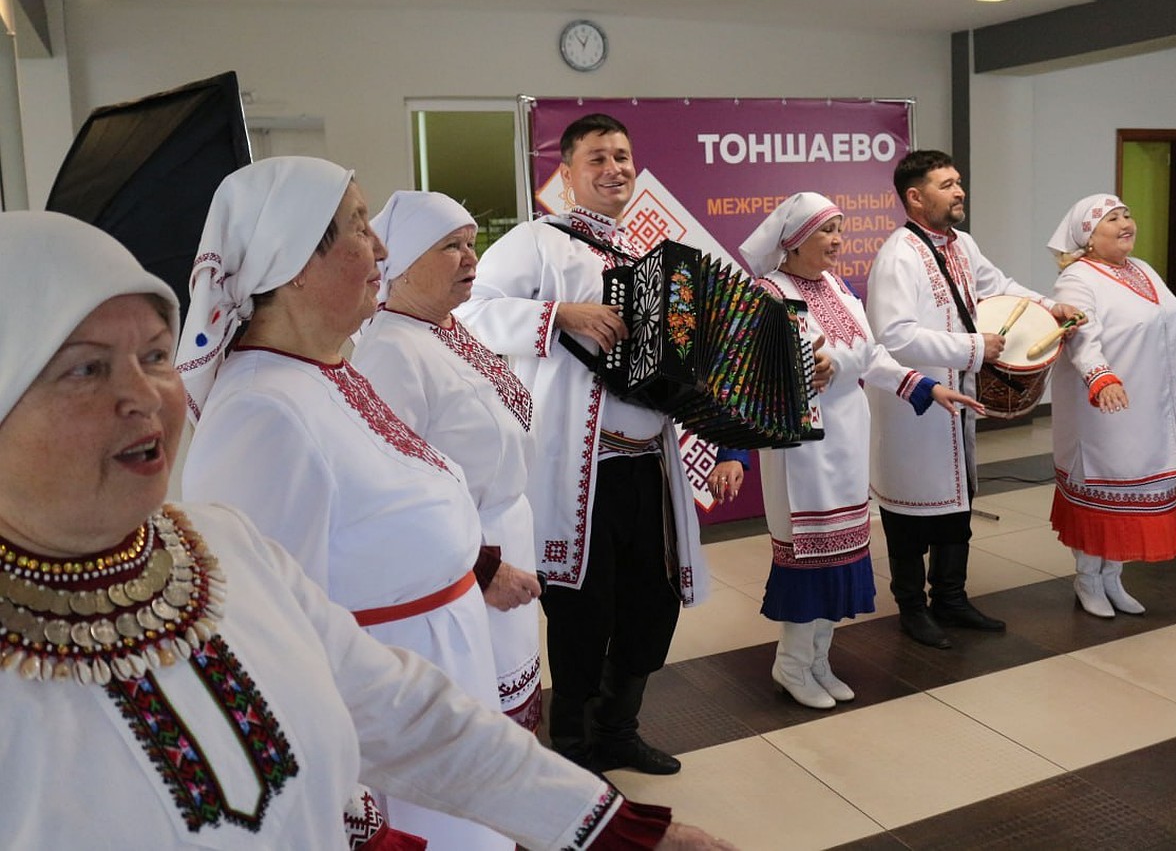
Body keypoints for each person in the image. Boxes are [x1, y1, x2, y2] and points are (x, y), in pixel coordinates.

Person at [0, 210, 738, 850]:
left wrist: (605, 827)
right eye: (85, 370)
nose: (144, 395)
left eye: (156, 354)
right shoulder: (266, 411)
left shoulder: (218, 550)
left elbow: (396, 709)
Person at [176, 157, 500, 850]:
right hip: (386, 753)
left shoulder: (326, 369)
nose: (381, 246)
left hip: (434, 700)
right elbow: (262, 649)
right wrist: (355, 818)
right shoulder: (261, 415)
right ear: (293, 262)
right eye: (358, 227)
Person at [456, 113, 709, 776]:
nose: (614, 169)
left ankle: (619, 731)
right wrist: (555, 315)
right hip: (581, 470)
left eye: (622, 156)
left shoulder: (656, 257)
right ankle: (572, 747)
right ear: (566, 174)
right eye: (596, 158)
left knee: (650, 602)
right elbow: (468, 314)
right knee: (581, 607)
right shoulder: (536, 242)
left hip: (649, 467)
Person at [706, 193, 982, 708]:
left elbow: (872, 355)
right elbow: (735, 378)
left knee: (842, 558)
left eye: (840, 228)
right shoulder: (766, 294)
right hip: (801, 458)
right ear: (792, 242)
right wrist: (733, 452)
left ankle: (817, 660)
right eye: (825, 231)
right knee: (808, 563)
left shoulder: (837, 286)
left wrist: (925, 387)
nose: (838, 240)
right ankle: (790, 665)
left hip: (848, 445)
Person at [865, 149, 1082, 650]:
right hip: (913, 406)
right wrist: (972, 348)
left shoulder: (961, 244)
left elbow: (997, 286)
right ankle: (912, 610)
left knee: (956, 505)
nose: (959, 190)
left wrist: (1050, 306)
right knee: (909, 512)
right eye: (946, 184)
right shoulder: (898, 256)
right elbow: (893, 336)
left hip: (956, 398)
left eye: (959, 181)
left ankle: (951, 598)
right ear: (915, 197)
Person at [354, 190, 543, 730]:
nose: (471, 259)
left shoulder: (447, 327)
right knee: (482, 715)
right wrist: (482, 568)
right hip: (466, 561)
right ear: (404, 263)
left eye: (471, 244)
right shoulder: (391, 349)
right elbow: (394, 493)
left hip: (503, 540)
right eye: (450, 246)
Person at [1046, 194, 1176, 617]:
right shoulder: (1078, 278)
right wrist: (1100, 376)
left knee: (1137, 492)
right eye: (1112, 219)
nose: (1126, 223)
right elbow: (1080, 334)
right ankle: (1088, 578)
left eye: (1127, 214)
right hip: (1104, 409)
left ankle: (1113, 577)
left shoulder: (1144, 270)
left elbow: (1170, 326)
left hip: (1152, 406)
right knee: (1103, 491)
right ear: (1089, 238)